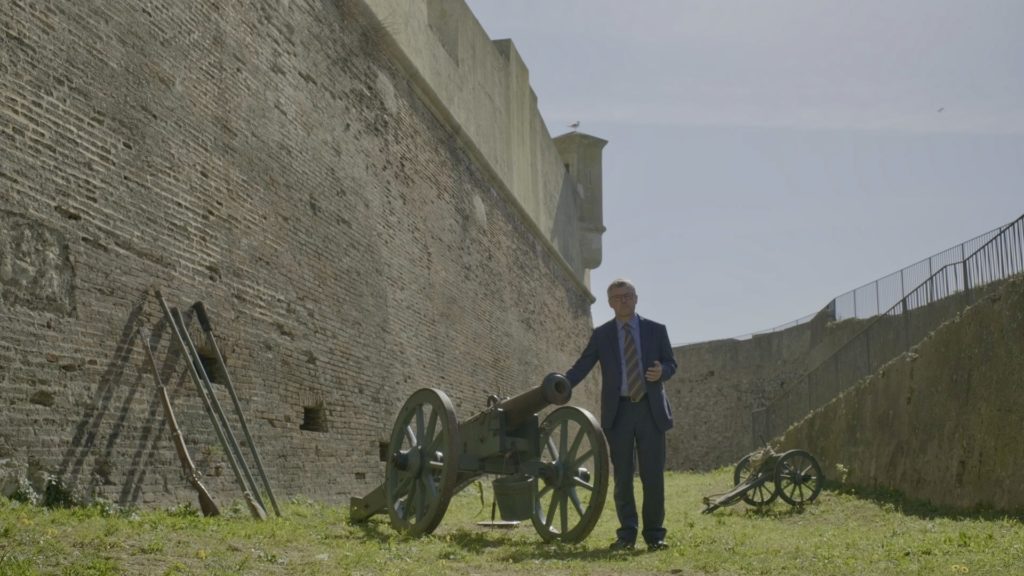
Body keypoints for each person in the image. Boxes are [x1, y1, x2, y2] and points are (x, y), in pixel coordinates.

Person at [564, 278, 678, 551]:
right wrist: (563, 383)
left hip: (651, 411)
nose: (622, 301)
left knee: (653, 477)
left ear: (636, 298)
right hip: (619, 412)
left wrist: (663, 370)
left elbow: (671, 363)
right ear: (610, 303)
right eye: (617, 297)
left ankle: (655, 535)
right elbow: (583, 364)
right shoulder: (602, 335)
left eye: (627, 296)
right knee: (623, 477)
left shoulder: (656, 330)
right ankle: (626, 535)